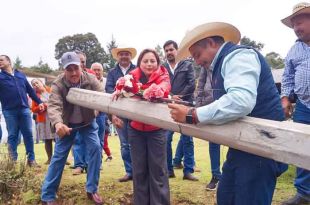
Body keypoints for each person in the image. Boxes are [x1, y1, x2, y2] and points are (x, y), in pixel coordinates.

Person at [168, 22, 288, 205]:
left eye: (197, 55)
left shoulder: (239, 56)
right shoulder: (222, 63)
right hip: (243, 144)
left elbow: (240, 101)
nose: (197, 62)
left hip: (260, 146)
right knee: (226, 196)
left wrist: (192, 114)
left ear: (211, 43)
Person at [41, 51, 103, 205]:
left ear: (81, 66)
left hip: (88, 122)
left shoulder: (91, 79)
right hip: (66, 125)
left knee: (95, 148)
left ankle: (92, 189)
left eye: (76, 68)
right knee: (59, 156)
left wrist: (104, 112)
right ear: (64, 70)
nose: (74, 72)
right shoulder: (58, 84)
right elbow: (54, 105)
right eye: (69, 69)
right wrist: (57, 123)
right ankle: (48, 195)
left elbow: (102, 95)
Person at [113, 48, 171, 205]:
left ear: (158, 63)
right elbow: (121, 85)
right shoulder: (131, 76)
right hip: (135, 130)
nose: (149, 64)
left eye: (153, 61)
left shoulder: (163, 76)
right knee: (139, 170)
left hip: (156, 130)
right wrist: (119, 90)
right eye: (145, 61)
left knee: (158, 170)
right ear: (139, 63)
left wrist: (149, 90)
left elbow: (164, 88)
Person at [280, 2, 310, 204]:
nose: (297, 28)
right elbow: (288, 76)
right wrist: (285, 98)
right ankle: (304, 193)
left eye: (300, 22)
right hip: (304, 107)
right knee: (303, 148)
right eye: (294, 25)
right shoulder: (294, 50)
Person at [162, 40, 198, 181]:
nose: (169, 52)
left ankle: (188, 171)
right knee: (166, 139)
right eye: (166, 50)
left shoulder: (187, 64)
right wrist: (171, 96)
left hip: (186, 105)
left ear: (177, 50)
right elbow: (161, 84)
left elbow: (191, 83)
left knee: (187, 139)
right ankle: (168, 170)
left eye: (171, 49)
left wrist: (180, 96)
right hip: (168, 106)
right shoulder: (163, 67)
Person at [0, 55, 44, 166]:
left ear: (9, 61)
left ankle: (31, 160)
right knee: (12, 135)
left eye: (1, 60)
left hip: (24, 109)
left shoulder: (21, 75)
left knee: (28, 134)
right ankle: (12, 162)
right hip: (9, 111)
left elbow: (30, 91)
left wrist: (40, 102)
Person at [105, 46, 137, 182]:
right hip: (119, 113)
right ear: (118, 57)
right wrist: (113, 115)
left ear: (131, 56)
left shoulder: (137, 70)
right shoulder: (112, 72)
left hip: (136, 112)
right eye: (121, 54)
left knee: (137, 143)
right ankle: (129, 171)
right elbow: (108, 90)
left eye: (127, 54)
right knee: (124, 144)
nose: (124, 56)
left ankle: (139, 171)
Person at [195, 60, 222, 190]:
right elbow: (201, 83)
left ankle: (231, 177)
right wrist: (199, 103)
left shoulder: (229, 59)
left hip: (225, 104)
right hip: (209, 105)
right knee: (214, 143)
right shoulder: (206, 63)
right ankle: (216, 175)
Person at [71, 50, 95, 175]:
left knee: (93, 143)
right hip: (74, 117)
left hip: (90, 116)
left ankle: (90, 165)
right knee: (78, 140)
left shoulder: (90, 76)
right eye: (78, 61)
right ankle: (79, 165)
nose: (81, 64)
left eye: (83, 62)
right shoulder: (69, 76)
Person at [31, 79, 55, 165]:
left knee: (59, 138)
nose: (35, 85)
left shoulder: (51, 90)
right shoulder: (34, 96)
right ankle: (50, 158)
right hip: (43, 119)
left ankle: (60, 157)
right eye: (33, 84)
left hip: (55, 117)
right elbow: (33, 109)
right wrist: (41, 107)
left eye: (37, 83)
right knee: (47, 139)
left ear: (42, 82)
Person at [91, 62, 109, 159]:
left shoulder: (106, 81)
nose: (97, 72)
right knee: (90, 139)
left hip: (102, 113)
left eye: (99, 70)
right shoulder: (87, 81)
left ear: (102, 71)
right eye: (95, 70)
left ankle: (99, 161)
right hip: (88, 113)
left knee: (100, 138)